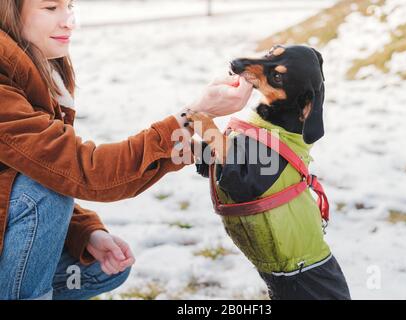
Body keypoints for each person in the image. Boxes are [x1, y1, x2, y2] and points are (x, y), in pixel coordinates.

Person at [0, 0, 253, 300]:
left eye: (69, 5)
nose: (69, 21)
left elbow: (35, 172)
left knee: (100, 267)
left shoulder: (38, 73)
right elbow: (82, 171)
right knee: (45, 190)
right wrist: (193, 115)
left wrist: (86, 232)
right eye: (50, 8)